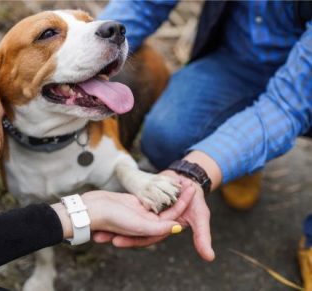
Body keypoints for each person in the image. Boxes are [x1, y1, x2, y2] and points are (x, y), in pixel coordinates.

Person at [0, 22, 190, 291]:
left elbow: (118, 164)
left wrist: (134, 178)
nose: (107, 28)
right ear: (1, 78)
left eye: (85, 21)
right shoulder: (3, 136)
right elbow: (31, 209)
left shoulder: (104, 111)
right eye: (49, 34)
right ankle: (45, 269)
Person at [97, 0, 312, 289]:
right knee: (166, 136)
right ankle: (242, 161)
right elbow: (144, 3)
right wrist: (86, 51)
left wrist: (195, 170)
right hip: (236, 63)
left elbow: (286, 106)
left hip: (301, 89)